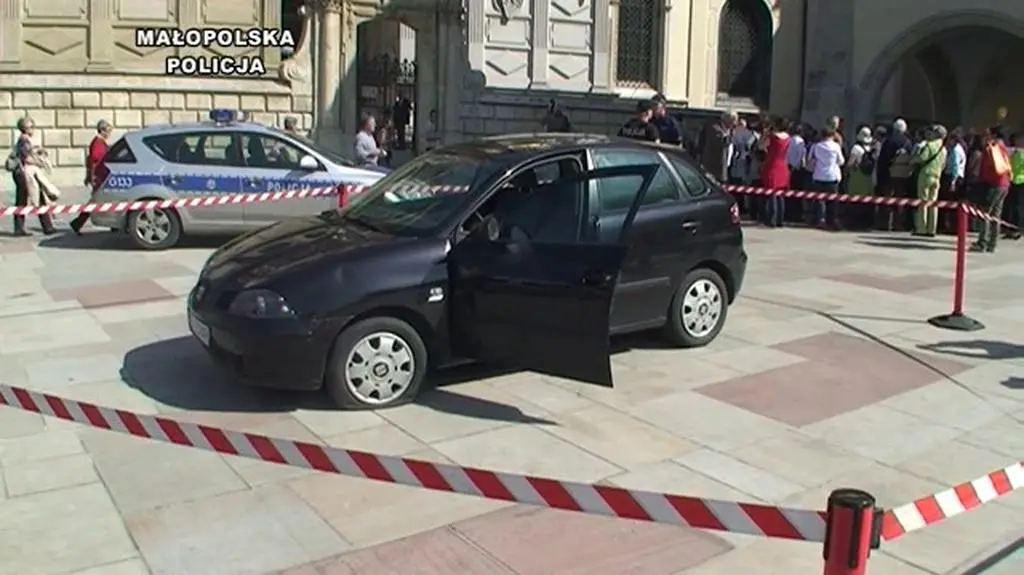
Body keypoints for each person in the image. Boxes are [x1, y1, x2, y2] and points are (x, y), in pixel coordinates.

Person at [9, 116, 57, 236]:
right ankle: (24, 228)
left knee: (34, 197)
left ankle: (46, 226)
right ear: (25, 128)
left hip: (25, 173)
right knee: (25, 199)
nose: (33, 129)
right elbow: (27, 159)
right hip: (23, 173)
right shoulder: (24, 141)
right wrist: (41, 163)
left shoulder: (25, 140)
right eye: (31, 127)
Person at [70, 119, 114, 235]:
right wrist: (90, 176)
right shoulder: (98, 143)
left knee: (102, 200)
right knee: (95, 201)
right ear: (102, 131)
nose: (110, 134)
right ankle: (77, 223)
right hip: (98, 176)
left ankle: (78, 223)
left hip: (101, 175)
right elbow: (93, 159)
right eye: (108, 131)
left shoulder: (100, 142)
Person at [972, 126, 1011, 252]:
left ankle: (982, 242)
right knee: (996, 215)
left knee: (985, 214)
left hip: (992, 184)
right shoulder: (1005, 148)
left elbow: (986, 168)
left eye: (987, 134)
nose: (985, 137)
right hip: (1004, 184)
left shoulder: (991, 148)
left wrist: (980, 180)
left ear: (993, 135)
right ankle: (992, 243)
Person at [875, 118, 914, 230]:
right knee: (900, 200)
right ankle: (898, 224)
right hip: (903, 175)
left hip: (889, 175)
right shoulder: (908, 142)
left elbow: (883, 159)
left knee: (888, 200)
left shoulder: (890, 141)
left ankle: (886, 224)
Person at [911, 125, 948, 237]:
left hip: (926, 175)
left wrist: (913, 159)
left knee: (923, 202)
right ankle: (932, 229)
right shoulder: (944, 149)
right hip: (937, 176)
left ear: (936, 134)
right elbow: (943, 165)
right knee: (933, 203)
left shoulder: (930, 145)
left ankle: (921, 228)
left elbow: (922, 158)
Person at [808, 128, 845, 229]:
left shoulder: (816, 146)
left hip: (819, 175)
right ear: (833, 135)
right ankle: (833, 219)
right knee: (833, 200)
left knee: (820, 199)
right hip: (832, 175)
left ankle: (821, 219)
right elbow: (841, 161)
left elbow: (811, 160)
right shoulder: (836, 146)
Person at [759, 116, 791, 227]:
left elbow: (761, 146)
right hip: (783, 165)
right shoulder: (788, 138)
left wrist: (765, 134)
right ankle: (780, 219)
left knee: (771, 193)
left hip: (772, 164)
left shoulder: (772, 137)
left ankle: (771, 219)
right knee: (780, 194)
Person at [844, 126, 877, 229]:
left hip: (856, 178)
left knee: (855, 202)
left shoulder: (856, 148)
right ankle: (866, 223)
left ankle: (854, 223)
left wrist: (846, 172)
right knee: (866, 202)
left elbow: (850, 164)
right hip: (868, 179)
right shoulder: (871, 149)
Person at [939, 128, 966, 234]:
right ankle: (952, 227)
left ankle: (951, 227)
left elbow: (955, 166)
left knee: (950, 204)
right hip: (957, 177)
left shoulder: (955, 150)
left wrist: (953, 182)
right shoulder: (959, 149)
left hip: (953, 177)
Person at [699, 111, 736, 184]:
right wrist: (729, 135)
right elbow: (723, 143)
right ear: (728, 121)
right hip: (714, 167)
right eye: (734, 122)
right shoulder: (715, 128)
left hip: (726, 166)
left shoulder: (729, 130)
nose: (735, 124)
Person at [1004, 133, 1024, 239]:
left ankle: (1018, 229)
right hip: (1013, 181)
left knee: (1018, 207)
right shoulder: (1015, 153)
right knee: (1013, 207)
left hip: (1020, 182)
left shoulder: (1018, 154)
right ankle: (1012, 229)